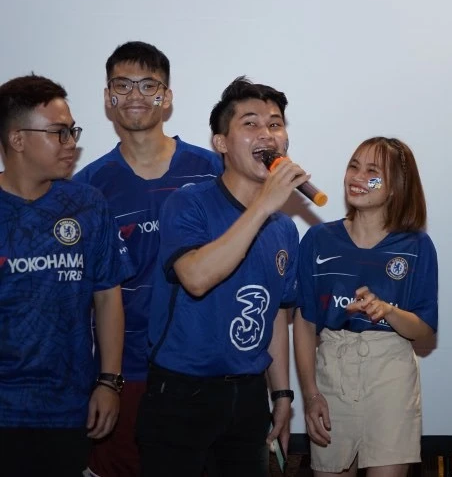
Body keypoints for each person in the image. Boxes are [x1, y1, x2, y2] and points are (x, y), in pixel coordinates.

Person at [136, 77, 305, 476]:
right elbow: (196, 277)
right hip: (182, 393)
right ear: (221, 143)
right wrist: (262, 207)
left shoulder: (285, 229)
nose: (267, 134)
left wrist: (281, 393)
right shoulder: (188, 204)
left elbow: (275, 314)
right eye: (250, 123)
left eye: (275, 124)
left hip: (249, 395)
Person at [73, 41, 223, 477]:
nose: (135, 95)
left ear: (167, 96)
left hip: (203, 366)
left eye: (148, 85)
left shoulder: (212, 171)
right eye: (122, 85)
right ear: (108, 97)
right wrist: (106, 379)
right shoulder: (87, 188)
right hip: (126, 371)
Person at [0, 74, 132, 475]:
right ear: (17, 139)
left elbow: (108, 297)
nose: (71, 142)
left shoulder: (88, 203)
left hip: (70, 407)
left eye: (72, 131)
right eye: (59, 132)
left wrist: (109, 382)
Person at [294, 136, 438, 477]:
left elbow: (423, 328)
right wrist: (311, 395)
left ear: (395, 187)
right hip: (332, 372)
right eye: (353, 167)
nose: (357, 178)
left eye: (372, 172)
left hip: (390, 375)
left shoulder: (416, 245)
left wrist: (388, 311)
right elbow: (304, 322)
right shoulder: (318, 239)